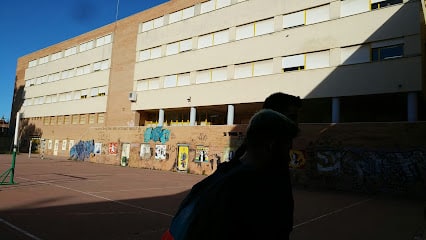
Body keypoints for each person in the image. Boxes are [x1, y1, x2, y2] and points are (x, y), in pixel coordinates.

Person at [162, 93, 302, 239]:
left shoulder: (225, 175)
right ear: (271, 144)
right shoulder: (250, 187)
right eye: (292, 117)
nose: (287, 157)